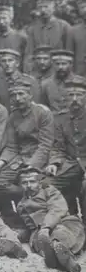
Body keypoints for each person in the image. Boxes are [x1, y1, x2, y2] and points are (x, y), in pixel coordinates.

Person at [0, 79, 54, 227]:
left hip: (40, 159)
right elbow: (12, 146)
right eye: (14, 95)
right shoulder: (13, 116)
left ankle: (31, 211)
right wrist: (0, 163)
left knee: (31, 181)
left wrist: (31, 165)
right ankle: (11, 218)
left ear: (30, 95)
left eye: (21, 94)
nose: (17, 98)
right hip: (19, 159)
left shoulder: (43, 113)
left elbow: (45, 145)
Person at [16, 167, 83, 272]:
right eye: (24, 183)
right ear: (20, 185)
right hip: (38, 231)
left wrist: (46, 227)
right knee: (39, 240)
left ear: (39, 182)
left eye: (32, 182)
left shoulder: (50, 191)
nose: (28, 186)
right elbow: (29, 226)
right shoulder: (21, 205)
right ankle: (62, 258)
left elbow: (57, 209)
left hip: (63, 221)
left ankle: (59, 252)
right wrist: (20, 235)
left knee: (61, 231)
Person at [46, 75, 86, 214]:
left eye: (79, 95)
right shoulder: (60, 118)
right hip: (70, 164)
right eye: (71, 95)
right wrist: (54, 163)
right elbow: (57, 146)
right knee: (48, 184)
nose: (75, 99)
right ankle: (70, 220)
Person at [24, 0, 72, 74]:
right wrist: (28, 71)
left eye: (46, 7)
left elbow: (70, 52)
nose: (43, 10)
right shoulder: (32, 29)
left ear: (53, 8)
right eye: (40, 7)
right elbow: (29, 53)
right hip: (38, 70)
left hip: (59, 70)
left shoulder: (64, 26)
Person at [70, 0, 86, 75]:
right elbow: (70, 57)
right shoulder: (73, 31)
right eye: (82, 7)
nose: (85, 10)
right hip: (79, 76)